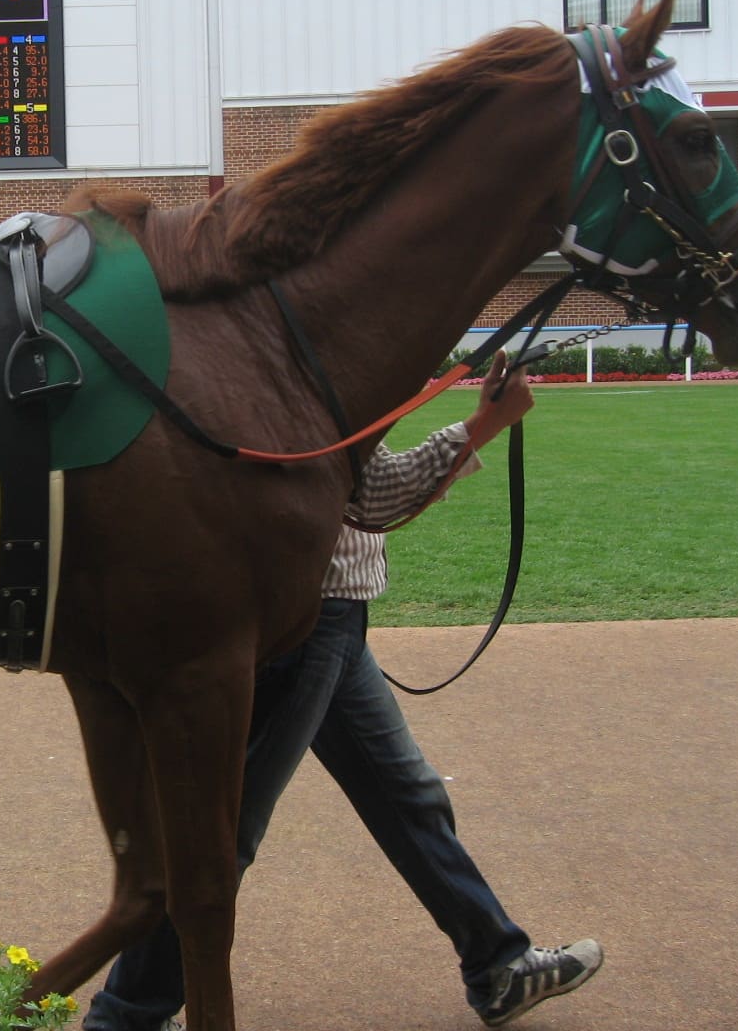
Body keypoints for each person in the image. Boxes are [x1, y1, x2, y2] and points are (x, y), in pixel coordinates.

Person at [83, 351, 602, 1031]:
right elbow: (375, 497)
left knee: (406, 796)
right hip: (308, 619)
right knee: (221, 829)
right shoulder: (309, 357)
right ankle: (125, 1015)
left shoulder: (278, 345)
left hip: (325, 618)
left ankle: (497, 965)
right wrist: (484, 425)